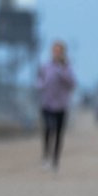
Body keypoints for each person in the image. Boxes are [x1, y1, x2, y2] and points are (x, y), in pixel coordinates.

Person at [35, 40, 76, 171]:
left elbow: (72, 84)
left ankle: (55, 159)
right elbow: (39, 81)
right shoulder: (45, 67)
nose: (57, 53)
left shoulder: (67, 68)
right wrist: (42, 85)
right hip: (47, 103)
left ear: (63, 52)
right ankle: (46, 156)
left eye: (59, 51)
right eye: (55, 50)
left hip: (61, 105)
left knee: (59, 133)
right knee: (48, 128)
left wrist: (62, 72)